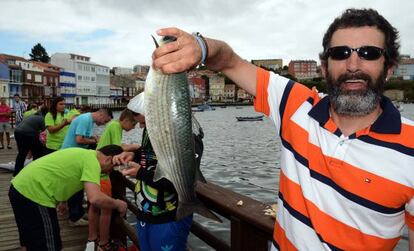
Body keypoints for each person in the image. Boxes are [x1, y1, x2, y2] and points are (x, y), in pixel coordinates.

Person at [152, 8, 414, 251]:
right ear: (324, 67)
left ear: (389, 67)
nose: (353, 65)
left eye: (369, 53)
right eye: (340, 53)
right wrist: (199, 45)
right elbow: (228, 61)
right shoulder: (295, 105)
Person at [113, 92, 204, 251]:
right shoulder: (152, 129)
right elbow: (152, 153)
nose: (141, 126)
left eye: (144, 121)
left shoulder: (188, 136)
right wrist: (134, 154)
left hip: (169, 217)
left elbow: (181, 180)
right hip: (146, 214)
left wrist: (140, 173)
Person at [8, 145, 127, 250]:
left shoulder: (85, 154)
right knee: (50, 244)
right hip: (34, 195)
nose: (109, 173)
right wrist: (118, 204)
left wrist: (63, 200)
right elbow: (95, 198)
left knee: (29, 238)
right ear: (109, 159)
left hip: (19, 187)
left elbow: (65, 173)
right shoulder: (93, 162)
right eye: (113, 168)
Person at [85, 109, 138, 251]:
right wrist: (135, 148)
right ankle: (103, 243)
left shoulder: (113, 125)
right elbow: (118, 150)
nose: (133, 128)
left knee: (94, 206)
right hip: (103, 170)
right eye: (133, 125)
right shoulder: (116, 126)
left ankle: (92, 239)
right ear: (126, 121)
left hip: (96, 168)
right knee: (106, 209)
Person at [61, 108, 113, 227]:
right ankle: (74, 217)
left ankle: (78, 212)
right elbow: (79, 139)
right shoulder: (85, 119)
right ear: (101, 114)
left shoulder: (88, 120)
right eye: (105, 120)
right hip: (71, 156)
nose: (104, 123)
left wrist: (93, 138)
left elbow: (82, 137)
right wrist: (94, 141)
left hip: (75, 155)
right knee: (75, 186)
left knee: (79, 185)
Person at [13, 106, 49, 176]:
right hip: (28, 134)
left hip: (17, 132)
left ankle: (16, 173)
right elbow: (46, 131)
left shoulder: (33, 115)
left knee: (22, 154)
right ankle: (34, 171)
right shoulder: (42, 118)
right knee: (38, 153)